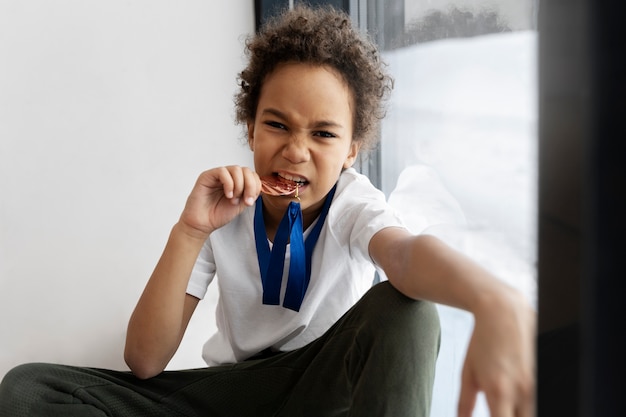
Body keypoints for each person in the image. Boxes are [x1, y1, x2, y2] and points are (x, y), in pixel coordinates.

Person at [0, 5, 534, 417]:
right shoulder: (225, 206)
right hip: (230, 397)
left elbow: (407, 255)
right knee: (28, 390)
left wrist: (494, 300)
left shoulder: (351, 202)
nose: (296, 150)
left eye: (323, 134)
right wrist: (190, 231)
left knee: (408, 310)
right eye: (277, 125)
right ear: (250, 128)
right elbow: (144, 361)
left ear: (351, 150)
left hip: (318, 391)